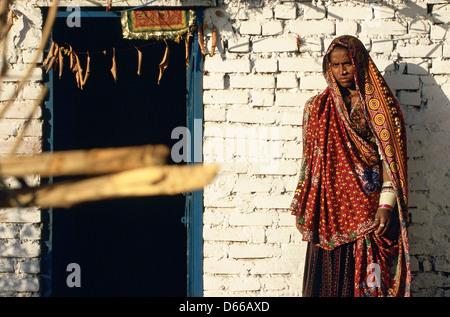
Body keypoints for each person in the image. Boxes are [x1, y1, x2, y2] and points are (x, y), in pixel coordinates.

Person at [290, 35, 411, 297]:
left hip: (367, 207)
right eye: (335, 65)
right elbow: (310, 161)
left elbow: (389, 158)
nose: (342, 71)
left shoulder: (379, 106)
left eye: (347, 63)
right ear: (328, 67)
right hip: (329, 209)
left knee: (371, 279)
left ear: (359, 63)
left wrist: (386, 205)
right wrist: (306, 200)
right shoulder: (319, 107)